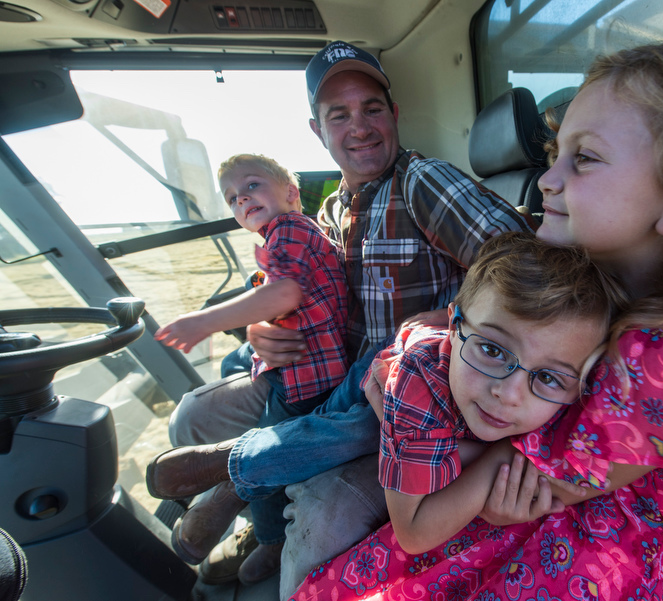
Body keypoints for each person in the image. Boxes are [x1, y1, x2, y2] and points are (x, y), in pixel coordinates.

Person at [289, 34, 663, 601]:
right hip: (523, 467)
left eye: (583, 159)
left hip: (595, 531)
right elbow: (476, 323)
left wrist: (420, 431)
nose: (547, 180)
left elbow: (548, 483)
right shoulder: (591, 282)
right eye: (553, 155)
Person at [148, 40, 533, 588]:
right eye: (339, 115)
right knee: (194, 416)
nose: (360, 126)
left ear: (394, 115)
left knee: (322, 515)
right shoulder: (330, 211)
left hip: (410, 391)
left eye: (372, 108)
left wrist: (453, 316)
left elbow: (530, 266)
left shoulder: (422, 182)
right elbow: (301, 289)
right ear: (317, 130)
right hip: (335, 371)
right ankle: (263, 518)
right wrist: (264, 332)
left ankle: (252, 490)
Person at [148, 154, 349, 575]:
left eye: (252, 186)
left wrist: (204, 321)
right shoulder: (286, 233)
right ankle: (249, 514)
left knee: (266, 447)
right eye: (232, 198)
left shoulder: (289, 229)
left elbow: (284, 294)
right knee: (236, 368)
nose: (242, 200)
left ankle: (270, 536)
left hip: (308, 373)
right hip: (296, 362)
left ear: (291, 194)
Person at [370, 232, 625, 555]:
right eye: (492, 349)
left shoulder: (572, 392)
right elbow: (413, 533)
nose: (508, 393)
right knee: (341, 435)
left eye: (547, 376)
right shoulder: (416, 385)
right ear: (454, 327)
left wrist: (466, 453)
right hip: (391, 373)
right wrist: (500, 461)